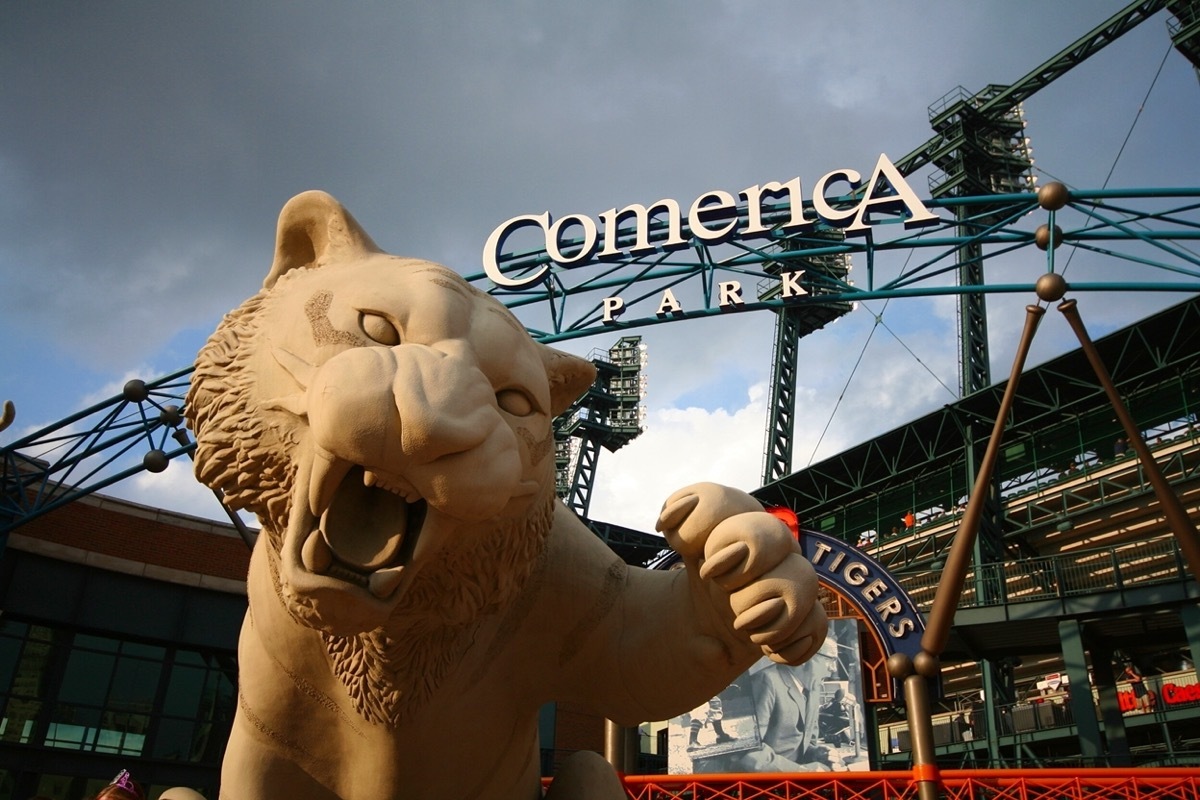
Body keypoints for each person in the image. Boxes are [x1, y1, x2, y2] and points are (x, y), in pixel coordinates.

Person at [737, 636, 841, 772]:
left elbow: (805, 744)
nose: (833, 669)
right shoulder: (766, 682)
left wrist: (816, 753)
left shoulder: (813, 688)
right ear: (805, 656)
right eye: (830, 660)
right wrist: (802, 772)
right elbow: (748, 751)